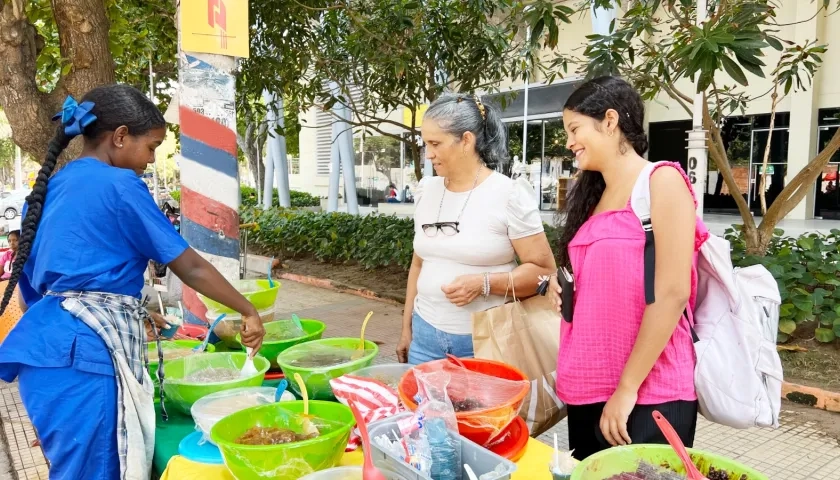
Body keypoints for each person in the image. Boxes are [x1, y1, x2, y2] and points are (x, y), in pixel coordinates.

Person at [0, 85, 266, 480]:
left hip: (44, 357)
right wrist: (247, 309)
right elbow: (189, 267)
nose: (151, 160)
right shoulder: (120, 186)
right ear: (120, 136)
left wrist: (133, 311)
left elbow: (33, 295)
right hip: (84, 359)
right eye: (152, 147)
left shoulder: (48, 192)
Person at [547, 76, 705, 461]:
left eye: (575, 129)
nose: (569, 142)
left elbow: (672, 293)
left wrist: (627, 389)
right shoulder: (594, 195)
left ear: (610, 120)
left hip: (647, 392)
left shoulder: (661, 181)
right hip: (587, 384)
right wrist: (560, 283)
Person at [396, 93, 556, 364]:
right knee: (423, 408)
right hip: (424, 338)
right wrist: (406, 329)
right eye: (425, 143)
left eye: (435, 143)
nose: (428, 153)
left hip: (486, 342)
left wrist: (484, 284)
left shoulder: (508, 194)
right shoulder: (427, 190)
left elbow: (544, 272)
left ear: (466, 141)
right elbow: (418, 265)